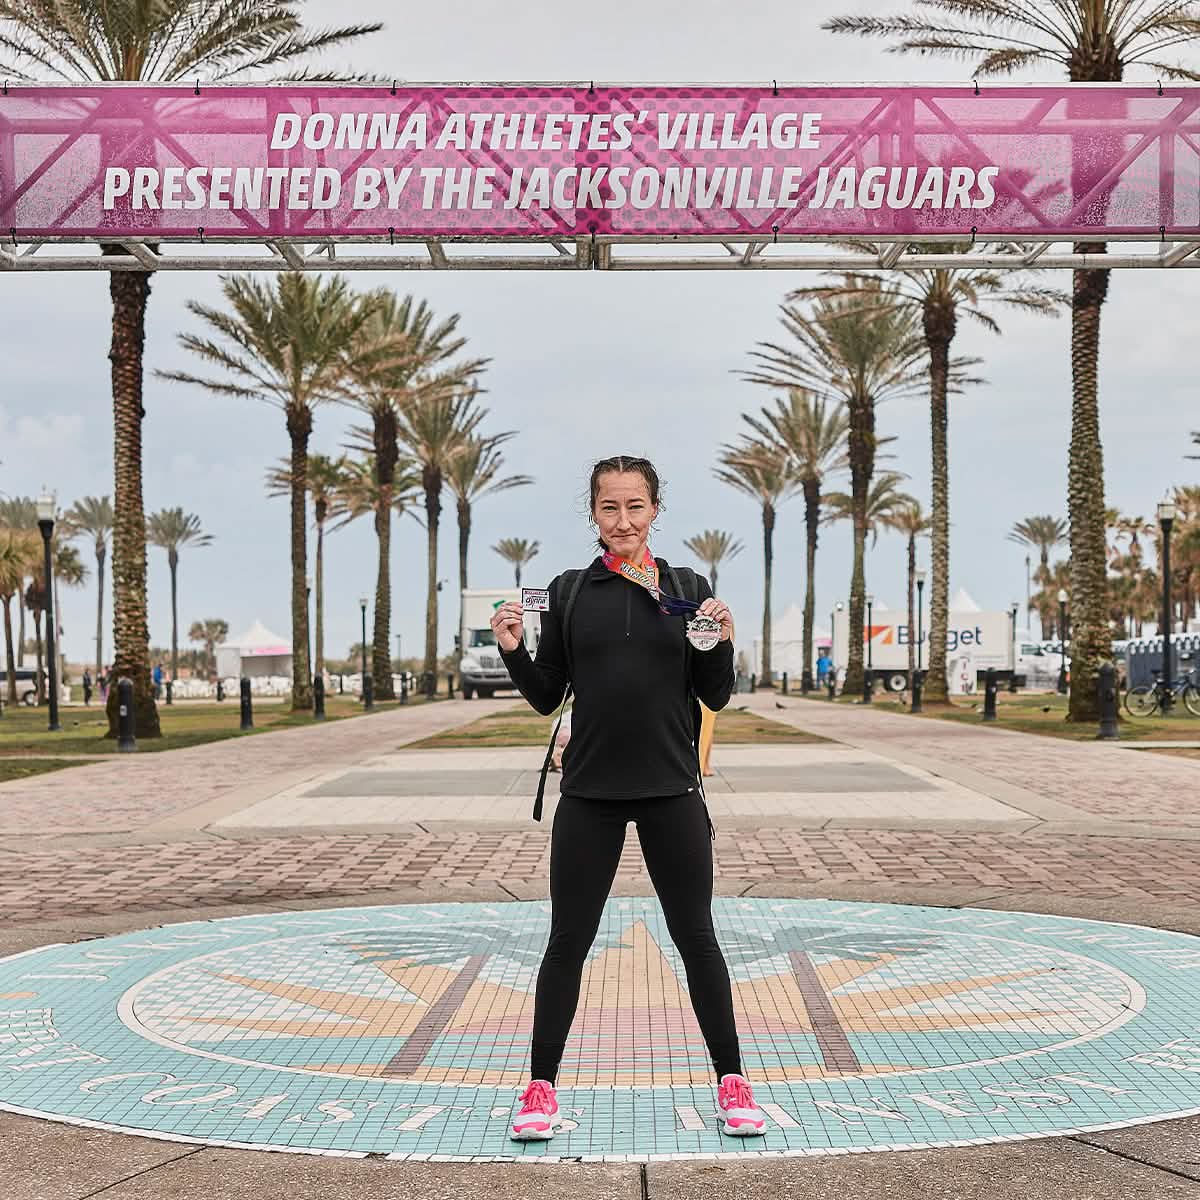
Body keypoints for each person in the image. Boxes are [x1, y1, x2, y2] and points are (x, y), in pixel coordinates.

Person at [492, 454, 766, 1142]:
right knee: (567, 941)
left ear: (654, 510)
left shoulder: (687, 588)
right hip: (590, 793)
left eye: (635, 506)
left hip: (672, 789)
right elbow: (547, 697)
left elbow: (715, 693)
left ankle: (732, 1081)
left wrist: (721, 641)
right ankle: (540, 1088)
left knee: (696, 938)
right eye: (609, 507)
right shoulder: (569, 591)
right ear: (593, 513)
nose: (623, 520)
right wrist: (514, 651)